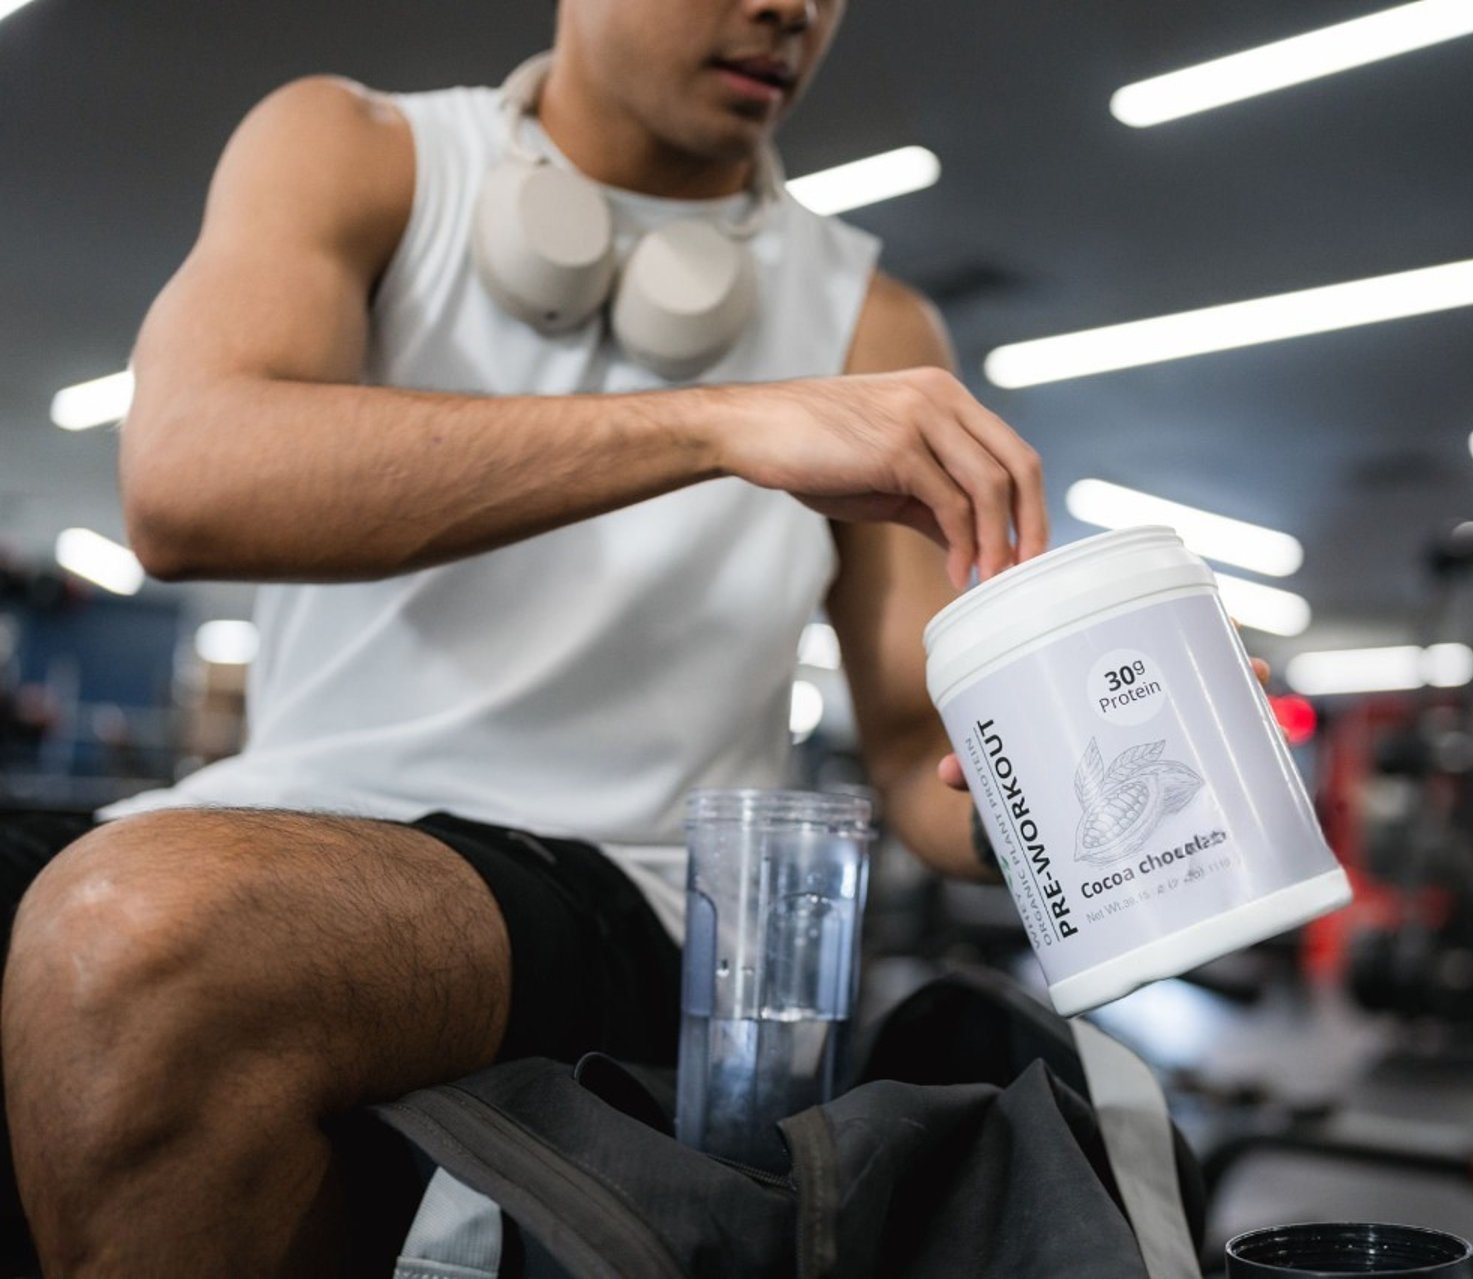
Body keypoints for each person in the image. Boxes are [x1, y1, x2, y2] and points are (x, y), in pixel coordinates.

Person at [0, 0, 1053, 1272]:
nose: (792, 8)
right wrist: (713, 425)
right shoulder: (355, 149)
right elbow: (184, 481)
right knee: (147, 910)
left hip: (632, 886)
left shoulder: (871, 328)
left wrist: (1053, 799)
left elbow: (914, 760)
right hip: (275, 821)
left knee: (141, 935)